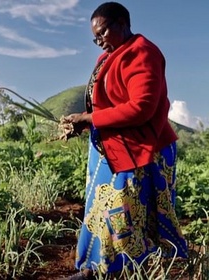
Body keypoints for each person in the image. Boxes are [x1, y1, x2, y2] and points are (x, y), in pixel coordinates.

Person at [59, 2, 188, 279]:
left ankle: (125, 268)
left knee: (125, 211)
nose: (99, 42)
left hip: (142, 148)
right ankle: (95, 268)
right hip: (113, 146)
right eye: (95, 37)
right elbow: (107, 105)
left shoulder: (142, 52)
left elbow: (142, 107)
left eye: (102, 33)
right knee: (100, 206)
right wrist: (81, 121)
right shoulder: (106, 58)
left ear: (121, 23)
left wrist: (91, 119)